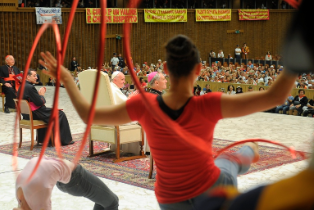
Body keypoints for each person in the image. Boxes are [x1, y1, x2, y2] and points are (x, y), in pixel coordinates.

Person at [40, 35, 296, 210]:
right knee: (228, 162)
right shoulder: (209, 104)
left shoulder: (144, 105)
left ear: (165, 68)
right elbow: (276, 96)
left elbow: (88, 115)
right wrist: (297, 59)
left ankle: (243, 154)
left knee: (225, 163)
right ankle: (246, 152)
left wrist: (68, 79)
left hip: (169, 198)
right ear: (198, 70)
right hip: (211, 189)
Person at [14, 156, 119, 210]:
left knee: (101, 200)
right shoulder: (35, 195)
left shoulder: (26, 197)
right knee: (112, 202)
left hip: (62, 179)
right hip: (75, 178)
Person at [17, 69, 74, 146]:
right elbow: (40, 102)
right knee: (60, 114)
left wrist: (38, 95)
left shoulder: (22, 86)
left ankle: (44, 140)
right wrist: (42, 95)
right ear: (28, 77)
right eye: (34, 76)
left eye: (36, 76)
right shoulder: (30, 87)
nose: (36, 77)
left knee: (51, 113)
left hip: (26, 115)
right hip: (34, 113)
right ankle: (63, 140)